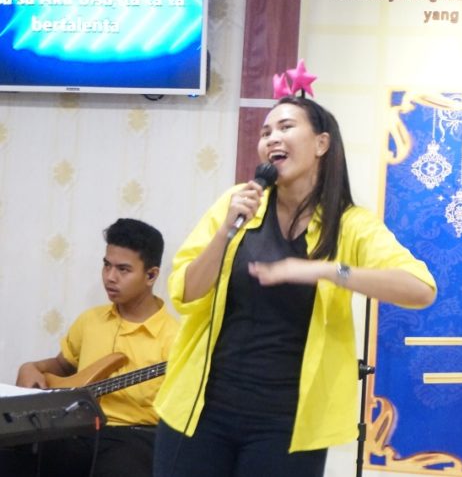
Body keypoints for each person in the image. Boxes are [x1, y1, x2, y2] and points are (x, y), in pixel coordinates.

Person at [152, 95, 437, 477]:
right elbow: (185, 293)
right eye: (265, 132)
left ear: (321, 143)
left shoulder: (349, 224)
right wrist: (224, 231)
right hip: (199, 411)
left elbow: (420, 289)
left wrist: (325, 271)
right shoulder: (235, 204)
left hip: (287, 426)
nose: (272, 138)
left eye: (286, 127)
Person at [1, 218, 178, 477]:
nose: (110, 277)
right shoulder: (90, 321)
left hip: (134, 437)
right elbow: (61, 366)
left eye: (123, 270)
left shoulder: (175, 338)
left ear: (151, 275)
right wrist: (30, 368)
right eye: (107, 265)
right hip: (75, 430)